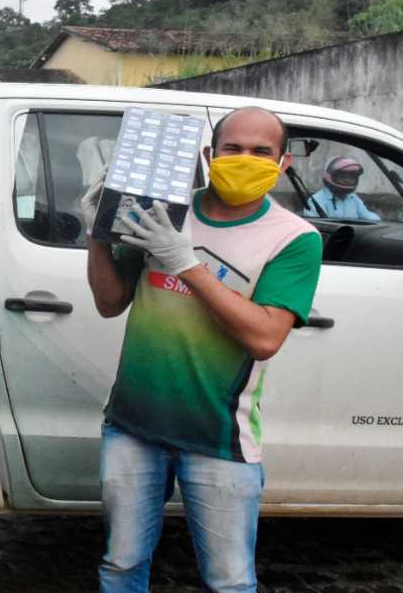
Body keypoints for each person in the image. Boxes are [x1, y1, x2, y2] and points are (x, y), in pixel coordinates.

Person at [82, 107, 323, 592]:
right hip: (132, 427)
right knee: (121, 565)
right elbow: (110, 303)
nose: (245, 159)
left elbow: (264, 337)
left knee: (229, 580)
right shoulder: (163, 210)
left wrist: (185, 264)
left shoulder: (295, 239)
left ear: (284, 162)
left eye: (261, 152)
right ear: (210, 155)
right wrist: (97, 236)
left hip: (220, 440)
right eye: (233, 149)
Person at [303, 155, 382, 221]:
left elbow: (368, 216)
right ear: (330, 176)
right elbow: (313, 227)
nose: (347, 180)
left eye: (351, 176)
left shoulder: (353, 198)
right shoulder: (316, 200)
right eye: (342, 176)